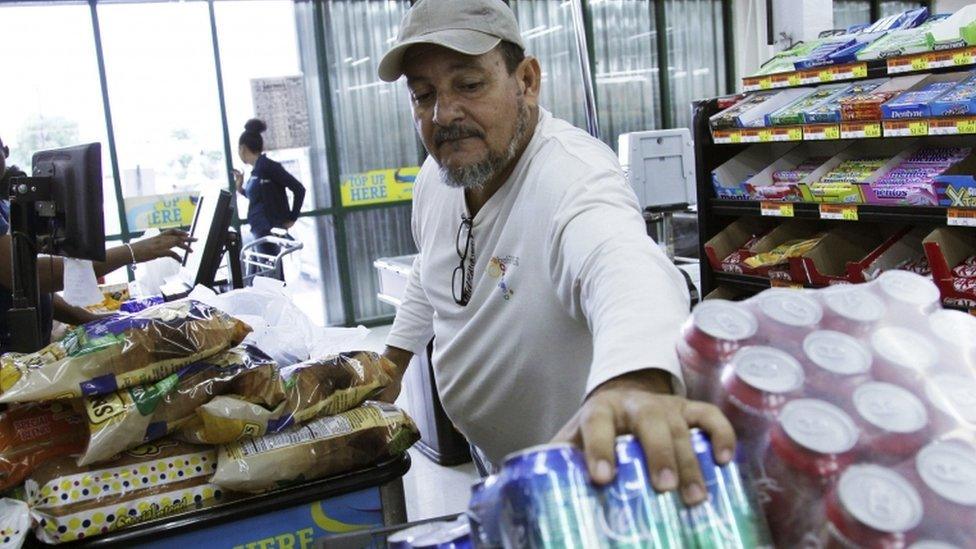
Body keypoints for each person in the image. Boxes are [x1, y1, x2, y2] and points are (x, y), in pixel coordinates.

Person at [376, 0, 734, 506]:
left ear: (526, 80)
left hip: (585, 475)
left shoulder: (571, 174)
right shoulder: (436, 181)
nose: (444, 114)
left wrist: (634, 379)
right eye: (423, 94)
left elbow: (623, 263)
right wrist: (391, 365)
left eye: (469, 84)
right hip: (498, 461)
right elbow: (429, 271)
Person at [0, 135, 195, 353]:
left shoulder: (4, 206)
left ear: (5, 151)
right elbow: (32, 276)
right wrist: (133, 251)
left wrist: (93, 321)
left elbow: (34, 290)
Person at [232, 119, 306, 279]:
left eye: (238, 149)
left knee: (272, 279)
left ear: (243, 148)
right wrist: (240, 188)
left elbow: (299, 189)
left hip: (268, 230)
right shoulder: (256, 170)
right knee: (264, 278)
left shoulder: (268, 167)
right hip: (259, 231)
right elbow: (258, 198)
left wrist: (292, 218)